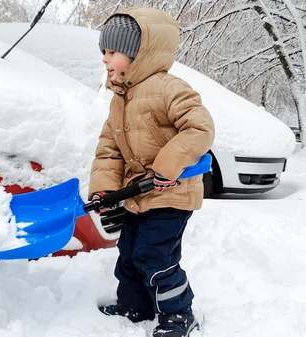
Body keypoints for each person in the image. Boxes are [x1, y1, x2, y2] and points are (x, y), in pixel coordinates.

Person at [88, 6, 215, 337]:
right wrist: (104, 190)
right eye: (104, 52)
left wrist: (167, 166)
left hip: (172, 194)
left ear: (137, 53)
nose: (105, 59)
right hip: (137, 196)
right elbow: (109, 150)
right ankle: (135, 305)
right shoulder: (120, 100)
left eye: (112, 51)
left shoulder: (169, 88)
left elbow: (199, 129)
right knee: (128, 254)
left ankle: (178, 314)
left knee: (154, 256)